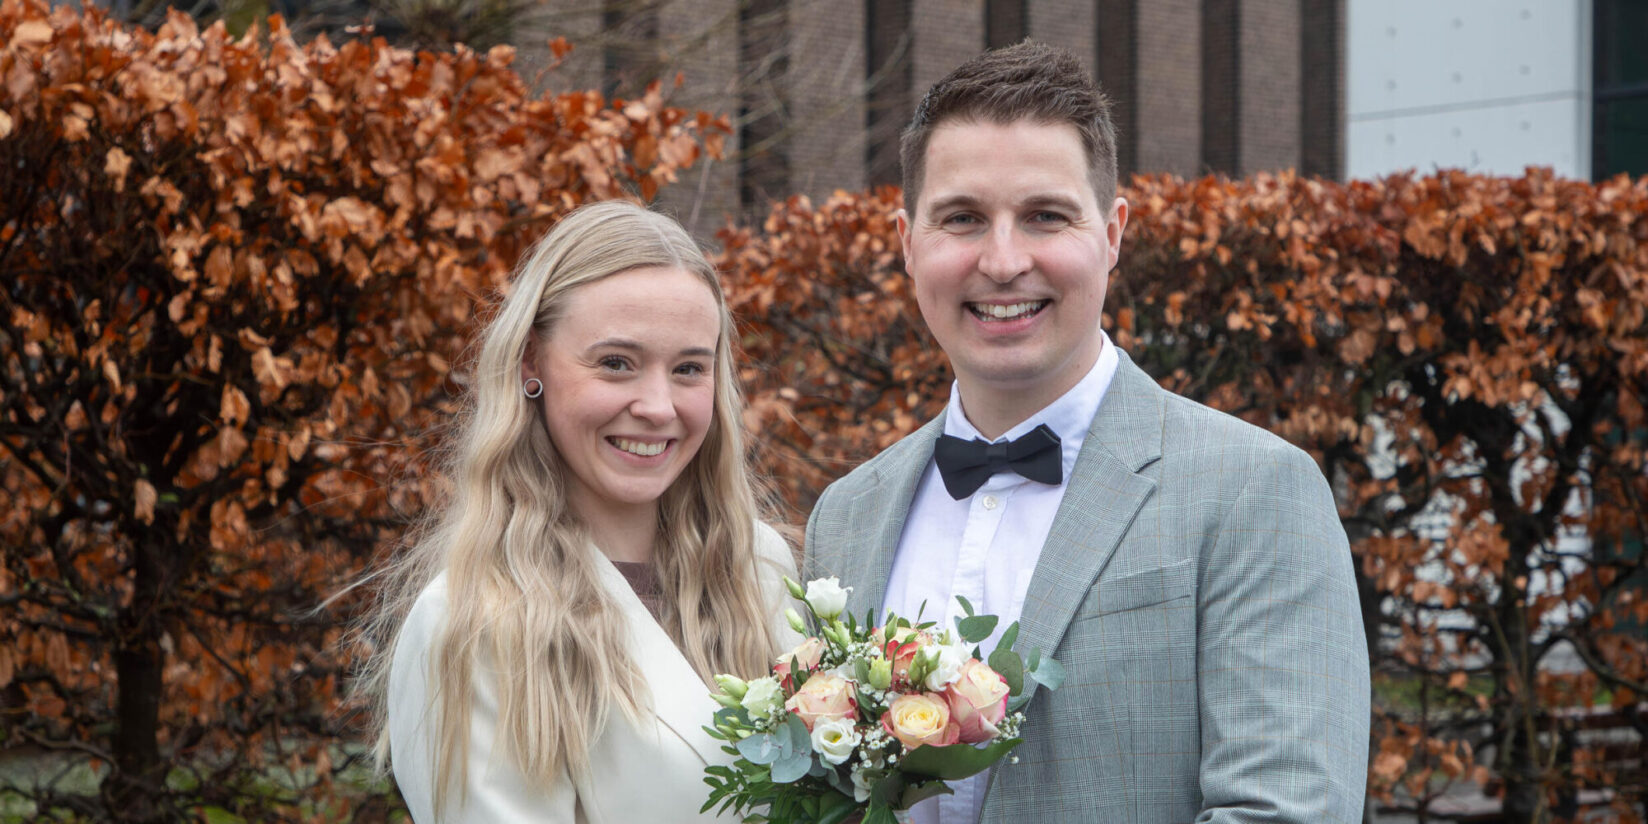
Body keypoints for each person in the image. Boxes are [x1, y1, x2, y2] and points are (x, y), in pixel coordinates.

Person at [803, 41, 1370, 823]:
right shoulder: (845, 516)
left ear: (1112, 233)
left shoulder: (1254, 491)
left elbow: (1285, 812)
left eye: (1045, 216)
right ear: (908, 243)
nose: (1003, 261)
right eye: (963, 219)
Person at [358, 200, 800, 823]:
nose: (657, 406)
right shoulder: (472, 622)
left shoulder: (760, 569)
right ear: (531, 362)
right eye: (616, 364)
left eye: (688, 369)